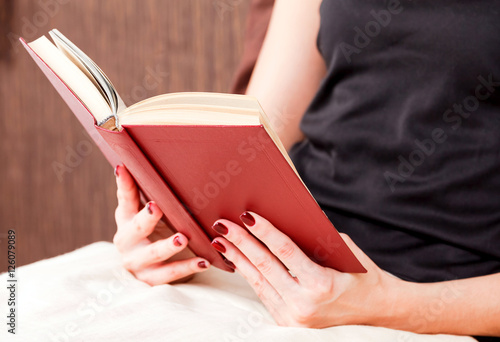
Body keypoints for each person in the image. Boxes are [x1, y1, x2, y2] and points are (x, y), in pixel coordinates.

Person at [112, 0, 500, 340]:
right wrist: (181, 225)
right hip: (285, 269)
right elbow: (256, 134)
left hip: (441, 300)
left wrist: (391, 305)